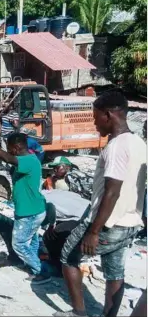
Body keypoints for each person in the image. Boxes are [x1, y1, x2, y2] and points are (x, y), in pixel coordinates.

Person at [56, 91, 146, 317]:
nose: (94, 123)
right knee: (114, 272)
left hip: (108, 222)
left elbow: (112, 192)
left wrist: (94, 231)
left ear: (108, 115)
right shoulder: (138, 143)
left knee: (68, 256)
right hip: (130, 221)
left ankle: (79, 312)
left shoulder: (116, 147)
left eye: (96, 117)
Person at [0, 130, 50, 284]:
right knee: (31, 240)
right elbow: (8, 158)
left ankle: (41, 271)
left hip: (30, 211)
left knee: (18, 244)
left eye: (10, 147)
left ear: (18, 147)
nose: (9, 151)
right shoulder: (26, 160)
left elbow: (8, 158)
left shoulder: (29, 161)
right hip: (30, 209)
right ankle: (33, 265)